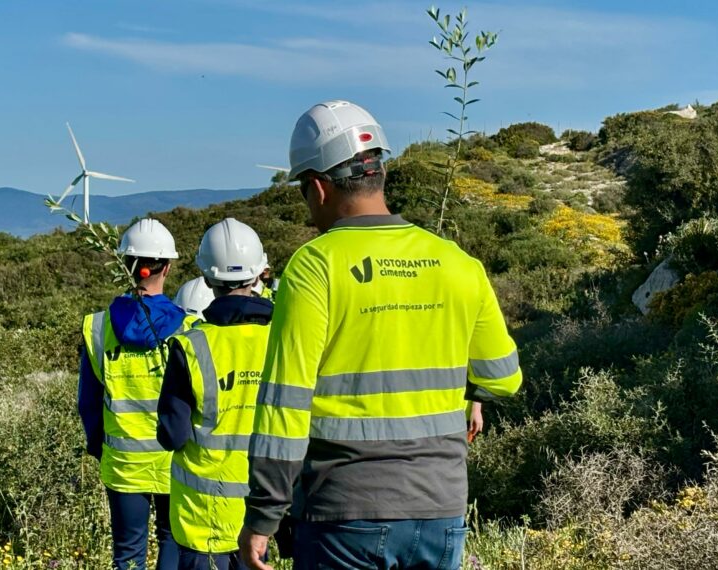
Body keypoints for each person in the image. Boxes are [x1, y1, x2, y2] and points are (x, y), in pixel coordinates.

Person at [238, 100, 523, 570]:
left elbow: (284, 409)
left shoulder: (316, 265)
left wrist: (264, 517)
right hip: (441, 513)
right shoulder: (458, 263)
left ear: (318, 187)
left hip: (344, 516)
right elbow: (503, 378)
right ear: (380, 174)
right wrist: (469, 392)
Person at [157, 218, 275, 570]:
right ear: (259, 275)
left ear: (207, 279)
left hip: (201, 522)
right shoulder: (283, 339)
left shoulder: (190, 347)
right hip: (260, 517)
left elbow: (172, 435)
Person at [77, 218, 184, 570]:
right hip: (174, 462)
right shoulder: (189, 328)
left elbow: (88, 403)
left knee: (128, 552)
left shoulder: (97, 327)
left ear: (125, 265)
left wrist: (99, 446)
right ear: (166, 266)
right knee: (173, 540)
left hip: (122, 464)